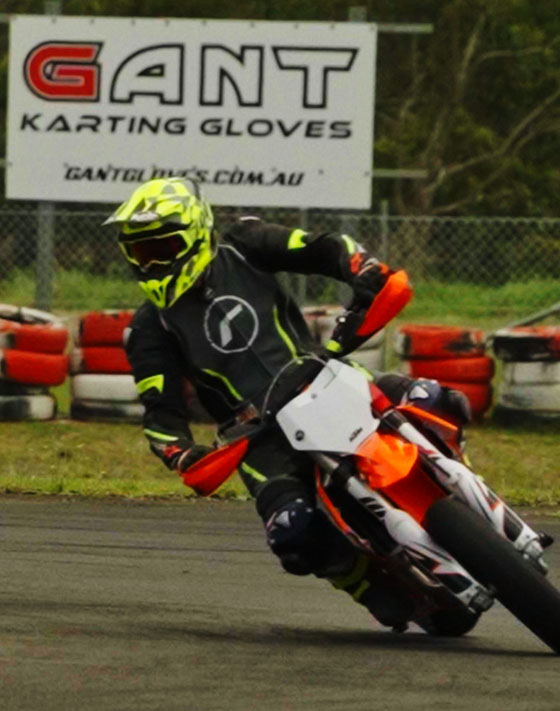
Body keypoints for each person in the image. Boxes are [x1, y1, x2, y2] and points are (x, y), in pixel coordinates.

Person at [105, 177, 472, 630]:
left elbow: (319, 247)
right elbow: (160, 412)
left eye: (162, 247)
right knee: (290, 531)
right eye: (141, 253)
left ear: (196, 233)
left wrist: (362, 268)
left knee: (437, 399)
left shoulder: (243, 243)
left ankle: (464, 487)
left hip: (324, 378)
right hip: (256, 435)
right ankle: (360, 581)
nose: (153, 261)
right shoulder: (149, 327)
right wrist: (182, 453)